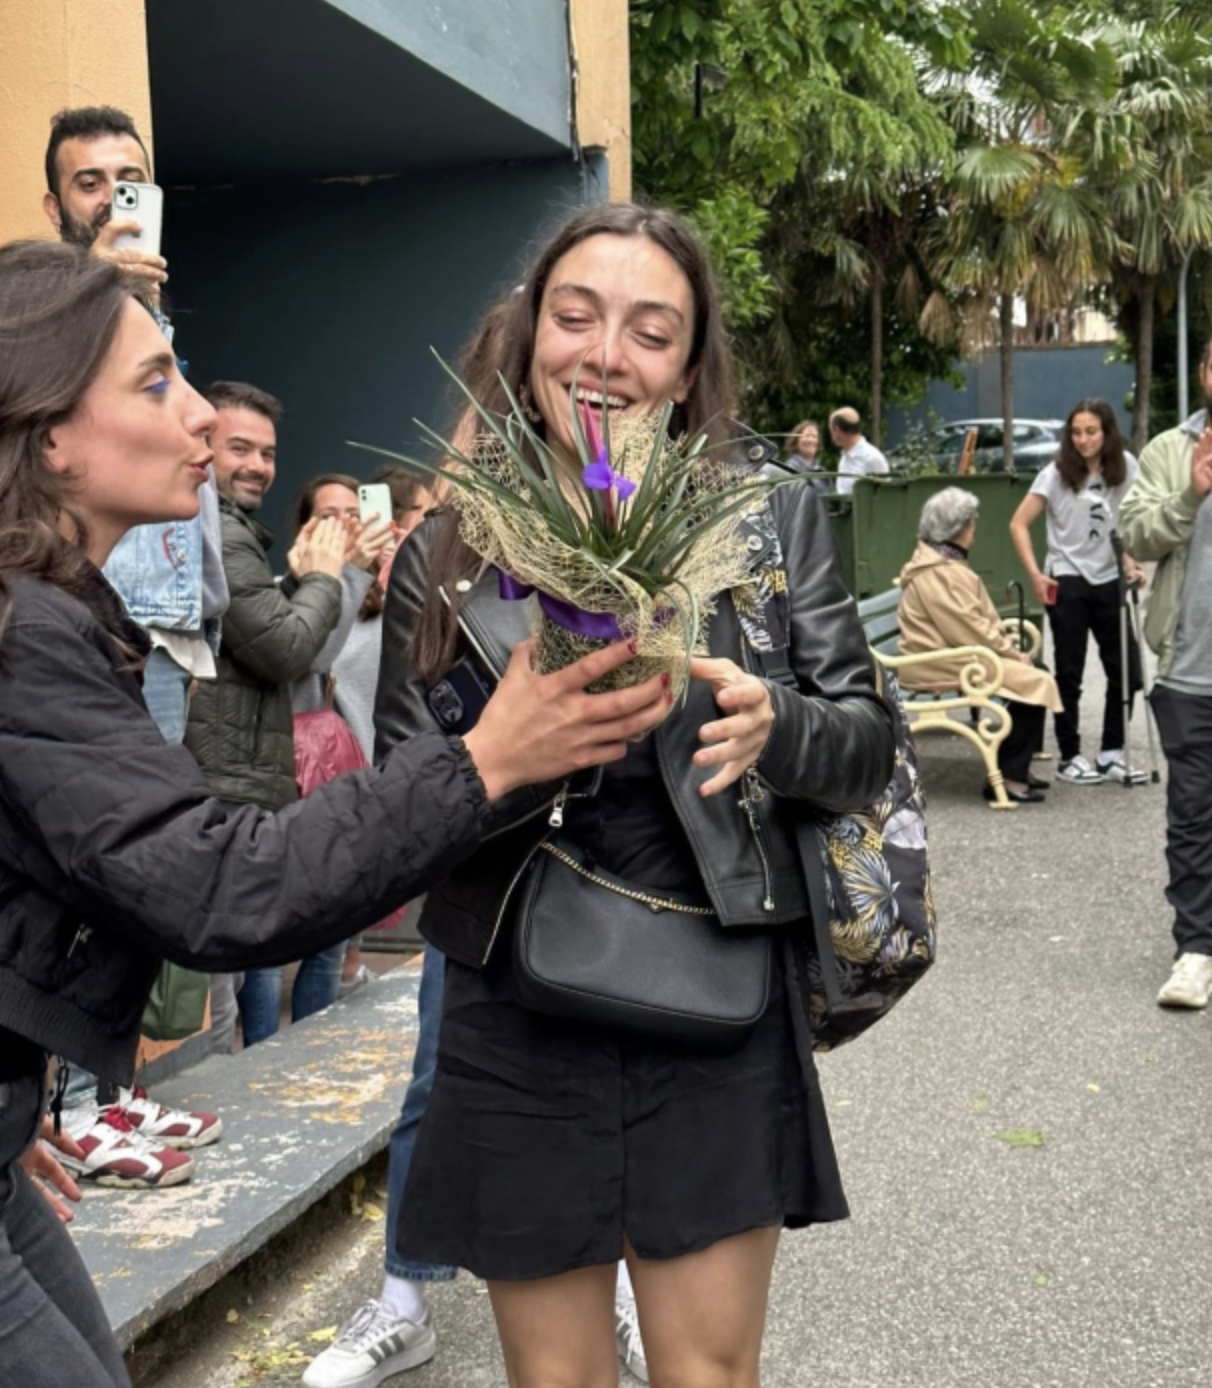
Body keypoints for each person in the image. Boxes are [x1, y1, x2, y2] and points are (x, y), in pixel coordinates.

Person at [369, 203, 894, 1388]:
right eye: (576, 315)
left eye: (650, 331)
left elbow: (866, 744)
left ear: (690, 366)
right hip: (517, 1007)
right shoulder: (447, 551)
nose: (607, 353)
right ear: (527, 335)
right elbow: (399, 822)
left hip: (715, 992)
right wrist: (512, 749)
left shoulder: (767, 521)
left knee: (707, 1371)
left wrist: (779, 724)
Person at [44, 104, 227, 1184]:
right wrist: (105, 293)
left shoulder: (154, 326)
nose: (113, 198)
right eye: (89, 183)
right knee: (87, 867)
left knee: (135, 873)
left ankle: (111, 1091)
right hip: (82, 624)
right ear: (56, 205)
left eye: (131, 178)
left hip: (165, 632)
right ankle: (65, 1103)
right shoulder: (47, 332)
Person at [1120, 341, 1212, 1009]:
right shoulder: (1166, 452)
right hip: (1191, 671)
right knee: (1192, 817)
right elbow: (1139, 536)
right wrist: (1191, 493)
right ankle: (1197, 952)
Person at [1009, 397, 1147, 787]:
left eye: (1091, 431)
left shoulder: (1127, 467)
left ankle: (1111, 753)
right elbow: (1018, 524)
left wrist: (1132, 561)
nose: (1083, 439)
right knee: (1069, 673)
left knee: (1127, 671)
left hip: (1110, 577)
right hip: (1068, 577)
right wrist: (1036, 573)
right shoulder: (1055, 473)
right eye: (1076, 432)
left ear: (1107, 432)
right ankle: (1069, 756)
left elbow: (1130, 519)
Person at [896, 488, 1062, 803]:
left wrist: (1007, 649)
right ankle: (1008, 779)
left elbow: (969, 624)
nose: (975, 527)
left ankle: (1015, 768)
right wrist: (1010, 652)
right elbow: (966, 627)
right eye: (972, 521)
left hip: (952, 654)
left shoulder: (942, 562)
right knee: (1034, 678)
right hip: (938, 661)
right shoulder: (937, 570)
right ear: (958, 528)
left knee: (1036, 671)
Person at [827, 407, 889, 496]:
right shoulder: (845, 456)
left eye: (830, 429)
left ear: (836, 430)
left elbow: (885, 495)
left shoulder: (872, 457)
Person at [780, 419, 829, 492]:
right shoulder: (789, 469)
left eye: (814, 436)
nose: (810, 440)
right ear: (796, 440)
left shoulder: (822, 472)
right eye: (806, 436)